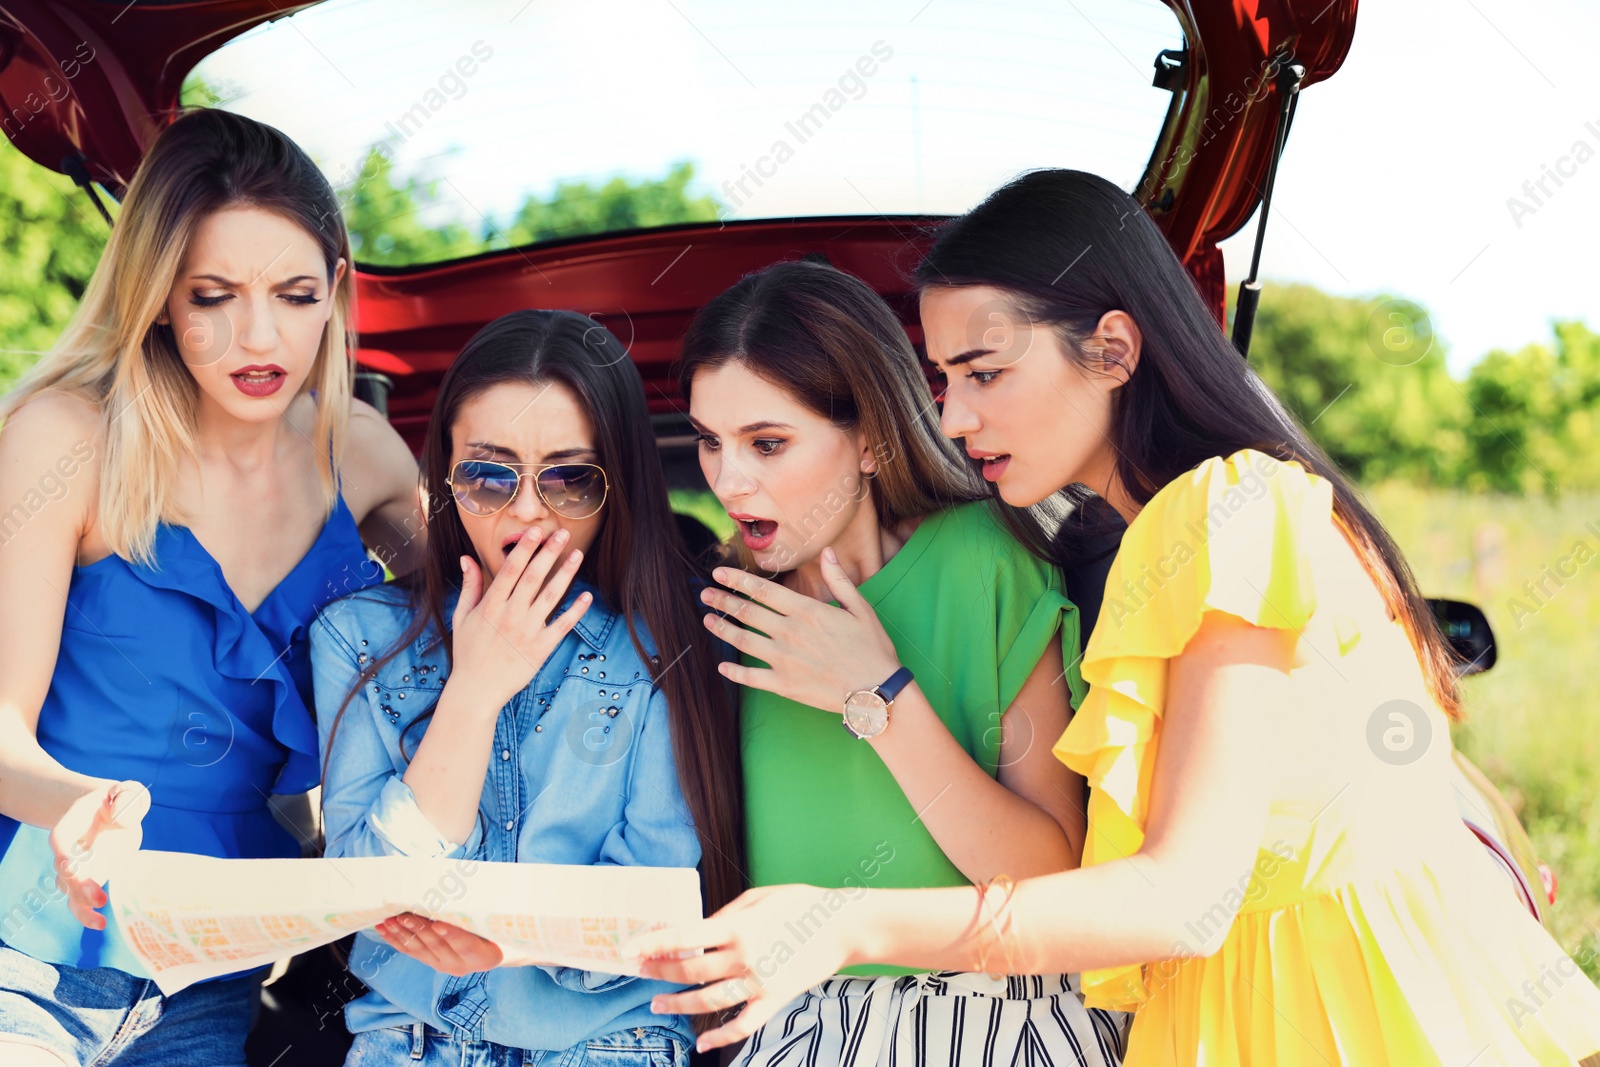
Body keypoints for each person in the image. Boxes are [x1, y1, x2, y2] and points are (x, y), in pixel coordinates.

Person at [628, 171, 1600, 1065]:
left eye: (985, 372)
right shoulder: (1156, 545)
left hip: (1339, 1013)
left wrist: (845, 925)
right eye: (945, 378)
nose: (955, 418)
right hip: (1230, 1007)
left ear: (1113, 348)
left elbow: (1181, 896)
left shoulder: (1227, 508)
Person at [0, 108, 423, 1066]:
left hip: (211, 976)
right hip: (24, 950)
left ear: (337, 294)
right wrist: (76, 804)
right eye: (213, 296)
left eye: (295, 292)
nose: (259, 334)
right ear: (158, 299)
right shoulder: (66, 438)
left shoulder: (361, 455)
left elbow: (501, 614)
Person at [672, 260, 1127, 1065]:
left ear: (875, 440)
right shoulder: (719, 610)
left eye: (767, 443)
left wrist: (876, 694)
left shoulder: (986, 558)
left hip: (1000, 1015)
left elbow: (1047, 870)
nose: (729, 481)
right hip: (794, 1027)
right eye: (710, 442)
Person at [309, 309, 744, 1066]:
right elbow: (364, 888)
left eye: (571, 477)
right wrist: (474, 692)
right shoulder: (357, 638)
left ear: (617, 486)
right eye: (488, 474)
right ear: (443, 475)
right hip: (403, 1039)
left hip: (610, 1038)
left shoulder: (671, 647)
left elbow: (649, 906)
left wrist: (505, 939)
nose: (528, 509)